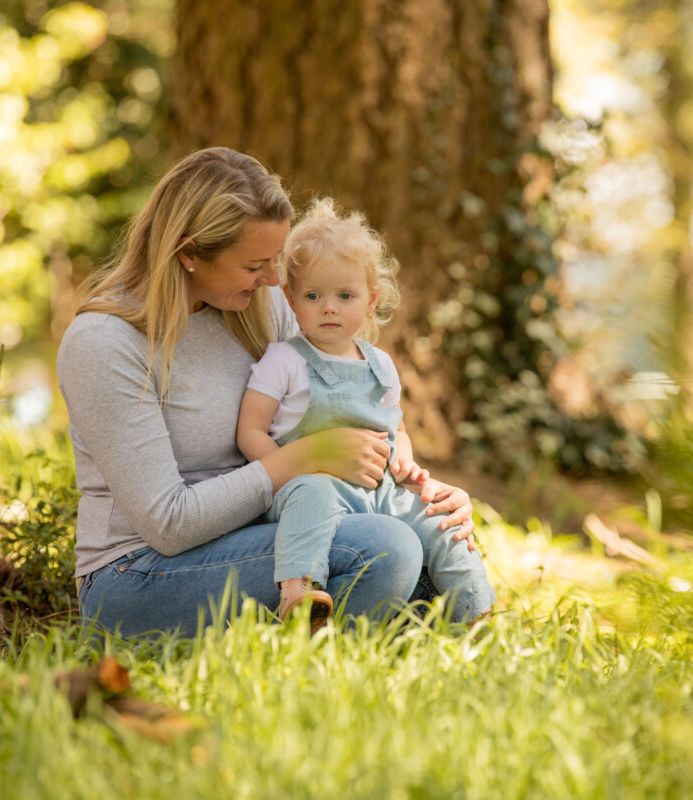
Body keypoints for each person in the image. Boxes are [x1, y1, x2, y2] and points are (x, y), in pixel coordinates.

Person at [57, 147, 477, 637]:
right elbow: (168, 525)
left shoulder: (261, 305)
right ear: (189, 253)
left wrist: (417, 492)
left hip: (262, 537)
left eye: (276, 260)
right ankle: (319, 664)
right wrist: (303, 456)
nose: (274, 279)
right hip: (139, 575)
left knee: (427, 536)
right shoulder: (105, 343)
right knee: (384, 549)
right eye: (256, 264)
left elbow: (345, 425)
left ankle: (348, 642)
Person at [237, 199, 495, 628]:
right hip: (310, 484)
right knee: (312, 495)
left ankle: (476, 616)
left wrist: (405, 460)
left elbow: (396, 426)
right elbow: (249, 430)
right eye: (313, 296)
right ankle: (299, 593)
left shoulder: (381, 364)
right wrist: (282, 472)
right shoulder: (284, 359)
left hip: (378, 489)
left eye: (345, 295)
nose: (329, 308)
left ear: (371, 300)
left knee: (442, 520)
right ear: (291, 299)